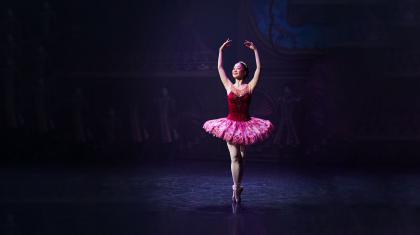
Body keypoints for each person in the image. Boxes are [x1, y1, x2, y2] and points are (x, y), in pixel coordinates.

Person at [203, 38, 274, 203]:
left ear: (244, 72)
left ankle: (239, 184)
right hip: (231, 125)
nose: (234, 70)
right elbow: (220, 68)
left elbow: (259, 69)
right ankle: (236, 187)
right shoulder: (228, 85)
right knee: (235, 157)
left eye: (238, 68)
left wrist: (255, 51)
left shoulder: (250, 86)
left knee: (241, 158)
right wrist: (220, 51)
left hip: (247, 124)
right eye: (233, 68)